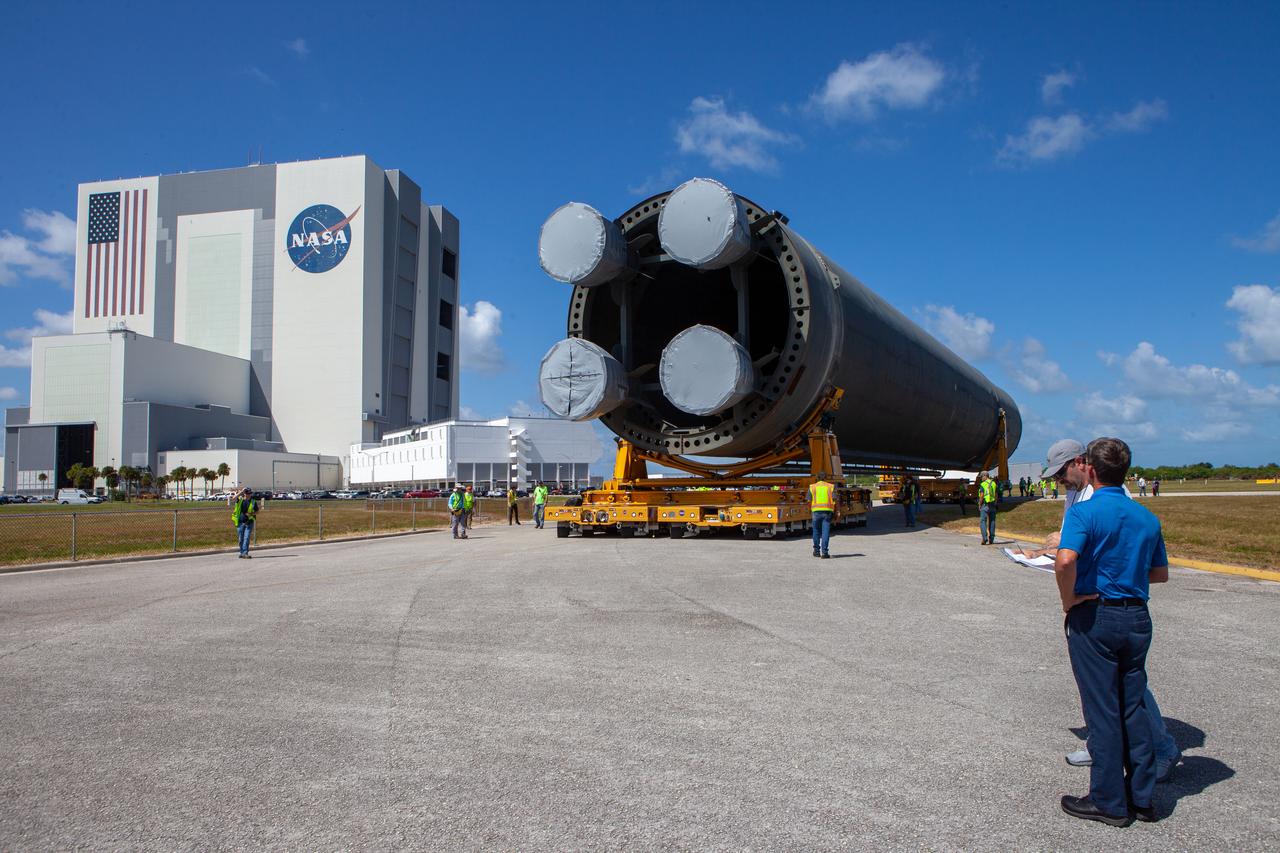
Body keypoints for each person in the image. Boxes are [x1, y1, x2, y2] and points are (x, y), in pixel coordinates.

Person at [1023, 439, 1180, 781]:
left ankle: (1158, 750)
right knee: (1109, 685)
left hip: (1098, 607)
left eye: (1063, 471)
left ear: (1083, 463)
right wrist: (1043, 552)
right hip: (1127, 608)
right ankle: (1106, 752)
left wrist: (1074, 595)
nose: (1059, 479)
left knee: (1118, 688)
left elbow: (1074, 557)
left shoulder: (1097, 497)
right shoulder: (1078, 495)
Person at [1054, 437, 1168, 826]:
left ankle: (1107, 801)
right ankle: (1143, 797)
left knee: (1102, 710)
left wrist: (1069, 601)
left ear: (1091, 469)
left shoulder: (1084, 513)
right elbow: (1160, 574)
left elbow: (1065, 560)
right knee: (1132, 707)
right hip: (1137, 618)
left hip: (1096, 617)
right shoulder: (1146, 517)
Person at [808, 475, 836, 558]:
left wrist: (811, 510)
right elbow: (835, 500)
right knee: (825, 532)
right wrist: (836, 511)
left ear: (817, 478)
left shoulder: (812, 487)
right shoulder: (830, 486)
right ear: (825, 478)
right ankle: (824, 553)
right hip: (827, 512)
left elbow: (809, 500)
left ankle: (816, 552)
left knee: (816, 531)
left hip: (816, 512)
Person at [231, 487, 257, 559]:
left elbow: (257, 511)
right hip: (240, 522)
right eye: (247, 493)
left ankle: (245, 553)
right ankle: (242, 552)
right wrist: (241, 491)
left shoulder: (253, 501)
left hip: (249, 522)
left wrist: (251, 514)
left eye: (250, 493)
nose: (249, 495)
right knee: (240, 539)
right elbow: (233, 498)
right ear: (244, 494)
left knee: (246, 538)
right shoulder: (240, 500)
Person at [977, 472, 998, 545]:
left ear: (985, 476)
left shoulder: (983, 484)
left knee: (983, 521)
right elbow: (996, 494)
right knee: (992, 522)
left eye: (981, 477)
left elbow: (982, 495)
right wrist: (995, 503)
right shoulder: (994, 483)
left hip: (985, 505)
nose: (981, 478)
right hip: (993, 505)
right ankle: (991, 539)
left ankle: (984, 538)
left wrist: (979, 504)